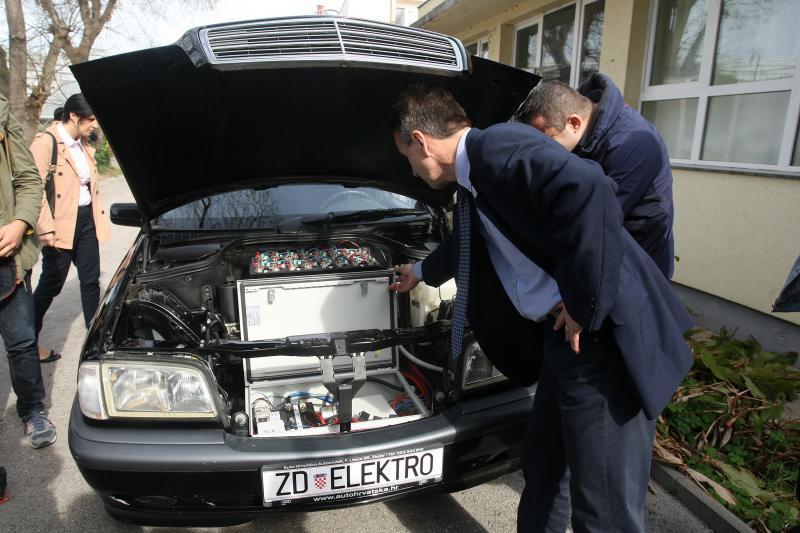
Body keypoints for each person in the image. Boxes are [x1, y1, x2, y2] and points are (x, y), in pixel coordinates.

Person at [390, 85, 693, 532]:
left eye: (407, 159)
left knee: (604, 507)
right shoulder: (476, 177)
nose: (412, 172)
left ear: (421, 141)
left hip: (602, 341)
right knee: (545, 468)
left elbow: (590, 189)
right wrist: (419, 271)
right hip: (563, 342)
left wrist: (583, 302)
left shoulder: (497, 145)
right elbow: (472, 239)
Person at [515, 75, 675, 278]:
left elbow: (598, 216)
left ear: (574, 123)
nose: (544, 153)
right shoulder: (579, 128)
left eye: (548, 142)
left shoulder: (634, 142)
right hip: (603, 257)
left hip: (640, 266)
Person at [29, 93, 111, 362]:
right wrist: (45, 227)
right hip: (60, 225)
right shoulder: (47, 142)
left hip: (86, 220)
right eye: (91, 119)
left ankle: (95, 342)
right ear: (74, 116)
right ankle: (27, 342)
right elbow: (33, 187)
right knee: (51, 284)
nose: (95, 125)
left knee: (90, 281)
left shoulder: (83, 144)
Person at [0, 92, 57, 448]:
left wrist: (20, 223)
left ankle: (33, 410)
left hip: (8, 257)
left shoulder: (1, 111)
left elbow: (28, 179)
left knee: (22, 343)